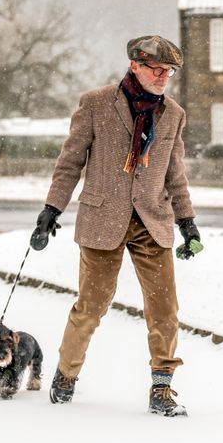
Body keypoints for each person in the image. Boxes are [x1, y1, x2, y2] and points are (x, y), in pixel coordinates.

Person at [33, 34, 201, 416]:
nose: (162, 77)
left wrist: (188, 222)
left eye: (168, 72)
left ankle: (161, 390)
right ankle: (66, 374)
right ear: (135, 66)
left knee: (164, 311)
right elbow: (70, 162)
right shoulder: (96, 104)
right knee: (91, 307)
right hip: (102, 218)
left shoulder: (172, 114)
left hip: (151, 221)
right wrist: (51, 210)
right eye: (156, 69)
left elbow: (175, 174)